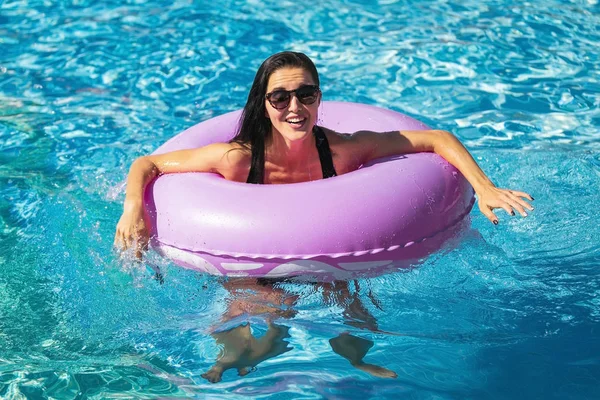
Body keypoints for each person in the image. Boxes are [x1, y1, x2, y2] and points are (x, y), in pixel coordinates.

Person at [113, 51, 534, 381]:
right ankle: (235, 364)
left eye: (306, 94)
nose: (294, 107)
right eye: (280, 97)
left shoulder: (341, 150)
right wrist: (133, 211)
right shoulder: (237, 157)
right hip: (253, 260)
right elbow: (147, 164)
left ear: (318, 98)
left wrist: (485, 188)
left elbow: (436, 139)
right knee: (255, 309)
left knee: (353, 304)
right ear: (264, 104)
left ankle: (354, 360)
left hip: (327, 257)